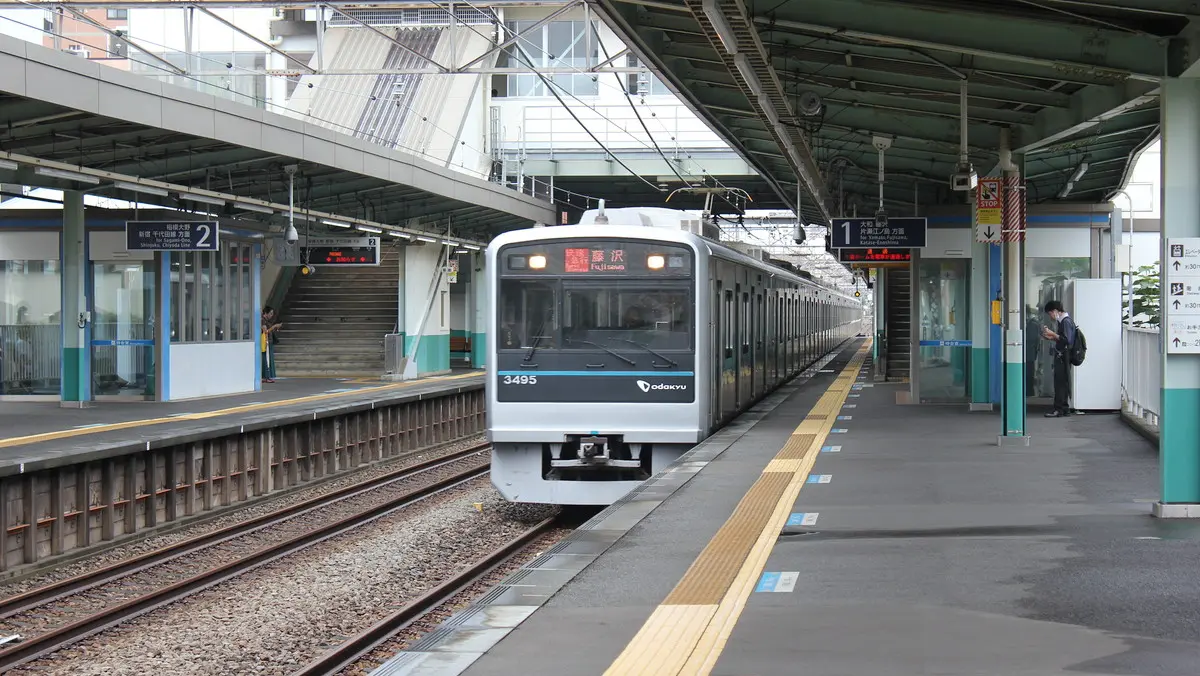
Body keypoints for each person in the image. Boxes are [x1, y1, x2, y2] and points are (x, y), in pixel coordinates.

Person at [1039, 300, 1076, 418]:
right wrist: (1052, 337)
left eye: (1050, 313)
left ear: (1055, 311)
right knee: (1062, 383)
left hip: (1063, 356)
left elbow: (1067, 340)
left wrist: (1052, 333)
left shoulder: (1065, 322)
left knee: (1060, 383)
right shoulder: (1064, 321)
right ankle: (1064, 408)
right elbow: (1063, 339)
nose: (1050, 316)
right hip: (1063, 355)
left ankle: (1059, 409)